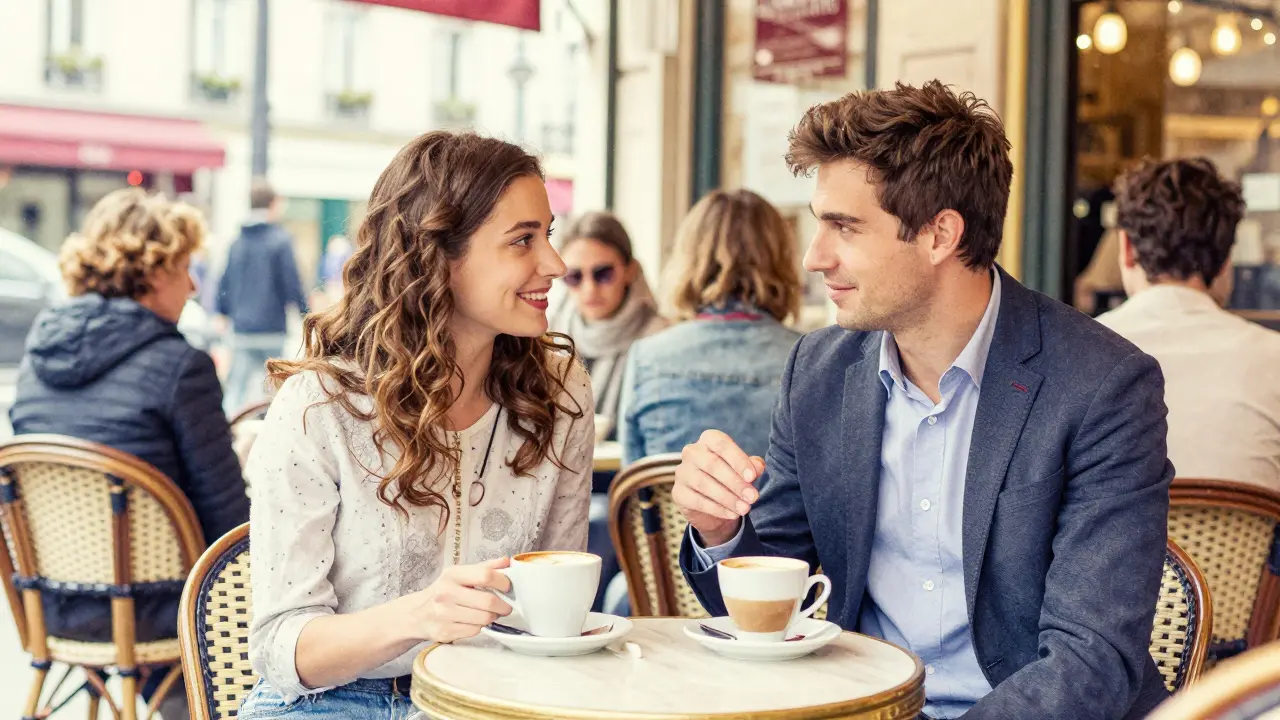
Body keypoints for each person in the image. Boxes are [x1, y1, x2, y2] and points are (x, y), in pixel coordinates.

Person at [673, 81, 1173, 719]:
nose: (812, 257)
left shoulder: (1102, 384)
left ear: (941, 235)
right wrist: (721, 532)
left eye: (844, 227)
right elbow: (775, 597)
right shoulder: (819, 371)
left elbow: (1091, 659)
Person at [239, 131, 594, 718]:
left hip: (491, 696)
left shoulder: (559, 391)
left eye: (548, 234)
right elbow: (282, 650)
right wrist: (419, 615)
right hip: (333, 702)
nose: (554, 264)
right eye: (522, 241)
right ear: (439, 256)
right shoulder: (320, 404)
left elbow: (559, 603)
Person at [10, 188, 249, 714]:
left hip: (56, 610)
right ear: (154, 269)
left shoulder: (35, 361)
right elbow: (231, 524)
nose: (191, 287)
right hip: (159, 613)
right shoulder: (181, 367)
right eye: (186, 268)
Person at [1097, 158, 1279, 492]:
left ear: (1126, 249)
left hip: (1116, 544)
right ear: (1227, 261)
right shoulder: (1274, 357)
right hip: (1240, 544)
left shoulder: (1075, 354)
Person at [621, 188, 802, 465]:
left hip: (675, 510)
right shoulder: (810, 359)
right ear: (781, 260)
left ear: (688, 259)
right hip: (775, 510)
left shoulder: (648, 358)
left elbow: (633, 483)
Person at [548, 211, 666, 441]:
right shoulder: (551, 335)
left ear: (630, 271)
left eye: (603, 274)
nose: (589, 289)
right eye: (574, 277)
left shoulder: (659, 339)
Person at [216, 179, 309, 414]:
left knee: (236, 390)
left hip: (242, 329)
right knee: (273, 391)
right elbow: (291, 281)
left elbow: (225, 280)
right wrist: (304, 313)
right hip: (270, 327)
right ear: (273, 204)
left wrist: (223, 311)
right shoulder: (280, 241)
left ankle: (231, 433)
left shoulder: (237, 242)